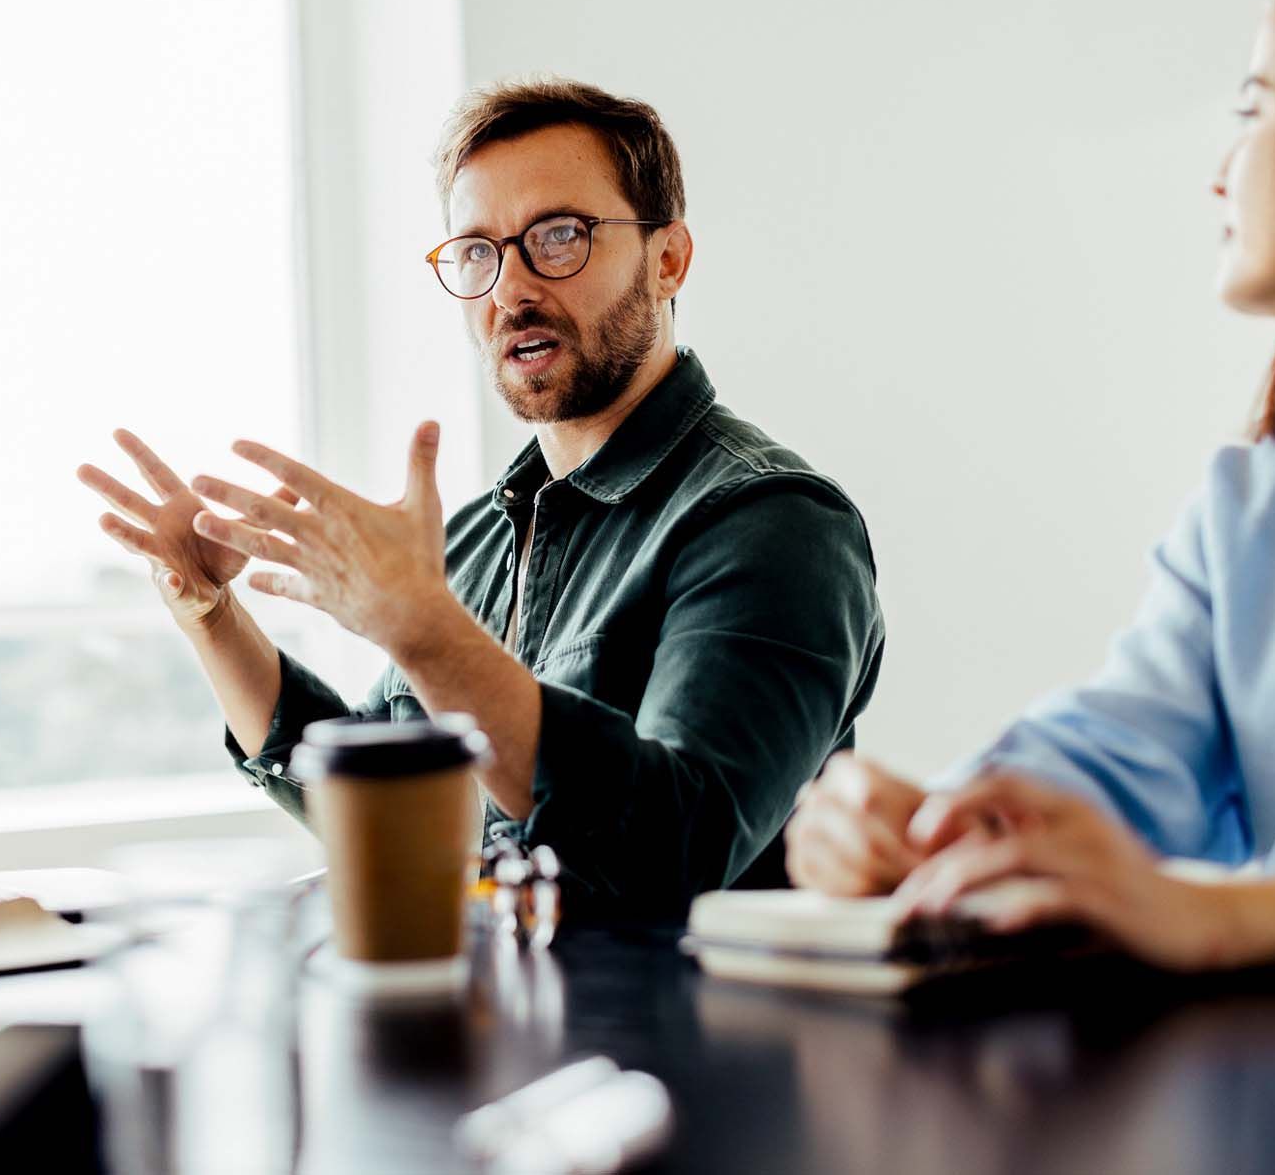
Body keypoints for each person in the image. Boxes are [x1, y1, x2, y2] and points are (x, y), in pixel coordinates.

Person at [786, 0, 1275, 981]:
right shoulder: (1246, 511)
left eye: (1252, 108)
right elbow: (1120, 747)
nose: (1216, 175)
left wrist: (1242, 914)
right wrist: (933, 829)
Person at [81, 78, 884, 917]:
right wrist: (212, 613)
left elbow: (675, 850)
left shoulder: (773, 523)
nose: (511, 290)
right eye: (478, 252)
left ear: (669, 258)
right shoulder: (470, 542)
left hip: (689, 1043)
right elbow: (385, 809)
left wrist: (429, 637)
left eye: (559, 236)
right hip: (498, 1035)